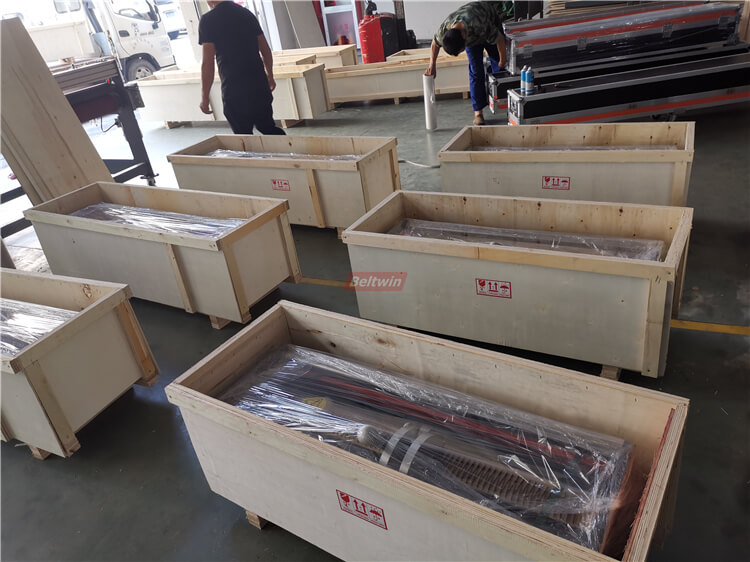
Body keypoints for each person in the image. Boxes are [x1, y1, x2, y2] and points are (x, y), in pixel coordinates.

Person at [198, 0, 284, 135]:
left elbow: (207, 63)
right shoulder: (246, 13)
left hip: (234, 88)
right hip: (258, 84)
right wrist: (270, 76)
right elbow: (265, 50)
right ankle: (287, 148)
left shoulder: (207, 20)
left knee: (243, 135)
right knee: (267, 127)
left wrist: (205, 97)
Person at [426, 1, 513, 125]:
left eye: (462, 49)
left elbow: (499, 39)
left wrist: (502, 59)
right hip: (472, 34)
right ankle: (478, 113)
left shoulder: (480, 24)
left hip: (489, 22)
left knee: (500, 68)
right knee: (475, 71)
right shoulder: (445, 30)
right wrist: (432, 65)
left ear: (463, 36)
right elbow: (435, 43)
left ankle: (506, 106)